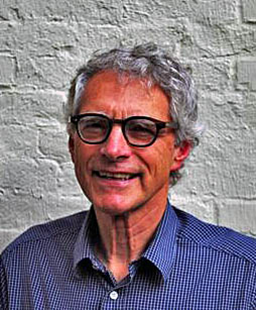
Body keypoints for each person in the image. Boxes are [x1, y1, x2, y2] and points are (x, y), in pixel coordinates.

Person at [1, 43, 256, 309]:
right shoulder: (22, 267)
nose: (113, 149)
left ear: (180, 150)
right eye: (95, 125)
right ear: (72, 145)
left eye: (141, 129)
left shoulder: (245, 278)